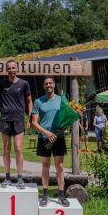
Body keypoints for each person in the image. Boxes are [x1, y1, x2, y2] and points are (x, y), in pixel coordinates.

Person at [0, 59, 33, 189]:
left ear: (17, 69)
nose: (11, 70)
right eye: (9, 68)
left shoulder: (24, 83)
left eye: (13, 68)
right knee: (6, 149)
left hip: (19, 120)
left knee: (19, 148)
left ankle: (20, 177)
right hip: (5, 120)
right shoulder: (2, 84)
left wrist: (30, 117)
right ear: (6, 70)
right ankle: (7, 177)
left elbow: (29, 101)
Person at [31, 76, 69, 207]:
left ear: (54, 85)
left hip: (59, 137)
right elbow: (34, 123)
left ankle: (61, 195)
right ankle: (45, 194)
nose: (48, 85)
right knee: (45, 165)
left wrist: (64, 126)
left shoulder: (62, 100)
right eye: (46, 83)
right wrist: (46, 133)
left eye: (50, 83)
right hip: (44, 138)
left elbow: (67, 117)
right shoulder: (38, 101)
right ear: (43, 86)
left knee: (59, 166)